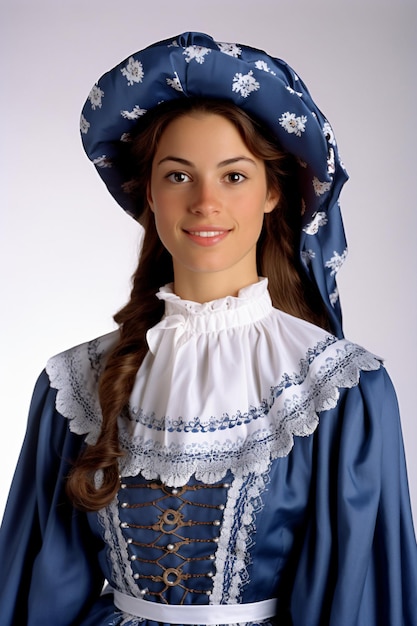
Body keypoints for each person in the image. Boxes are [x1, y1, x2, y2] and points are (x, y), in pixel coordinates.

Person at [0, 31, 416, 626]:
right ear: (149, 192)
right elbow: (35, 587)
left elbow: (356, 599)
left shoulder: (339, 392)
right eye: (178, 176)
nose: (204, 202)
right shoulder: (75, 386)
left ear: (274, 191)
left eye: (234, 176)